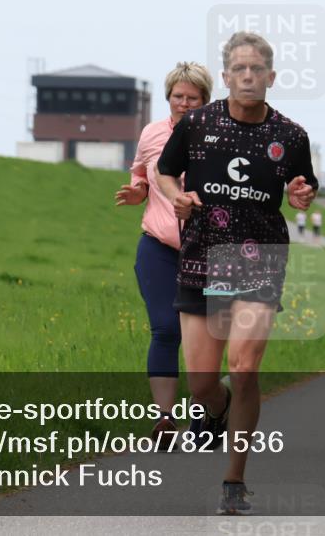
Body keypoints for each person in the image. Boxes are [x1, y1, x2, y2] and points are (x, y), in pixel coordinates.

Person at [156, 31, 317, 515]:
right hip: (202, 255)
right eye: (239, 69)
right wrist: (178, 196)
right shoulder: (197, 123)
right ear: (226, 77)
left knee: (244, 368)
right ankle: (219, 408)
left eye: (257, 69)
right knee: (201, 382)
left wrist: (301, 195)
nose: (248, 77)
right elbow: (165, 171)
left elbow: (303, 187)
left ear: (271, 77)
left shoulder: (291, 136)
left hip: (260, 257)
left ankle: (234, 479)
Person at [116, 62, 211, 445]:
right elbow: (141, 173)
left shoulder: (217, 137)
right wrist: (137, 190)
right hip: (157, 246)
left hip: (205, 251)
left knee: (201, 339)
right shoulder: (152, 133)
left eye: (192, 98)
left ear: (206, 100)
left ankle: (205, 414)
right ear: (168, 97)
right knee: (165, 329)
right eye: (178, 97)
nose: (184, 104)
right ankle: (165, 420)